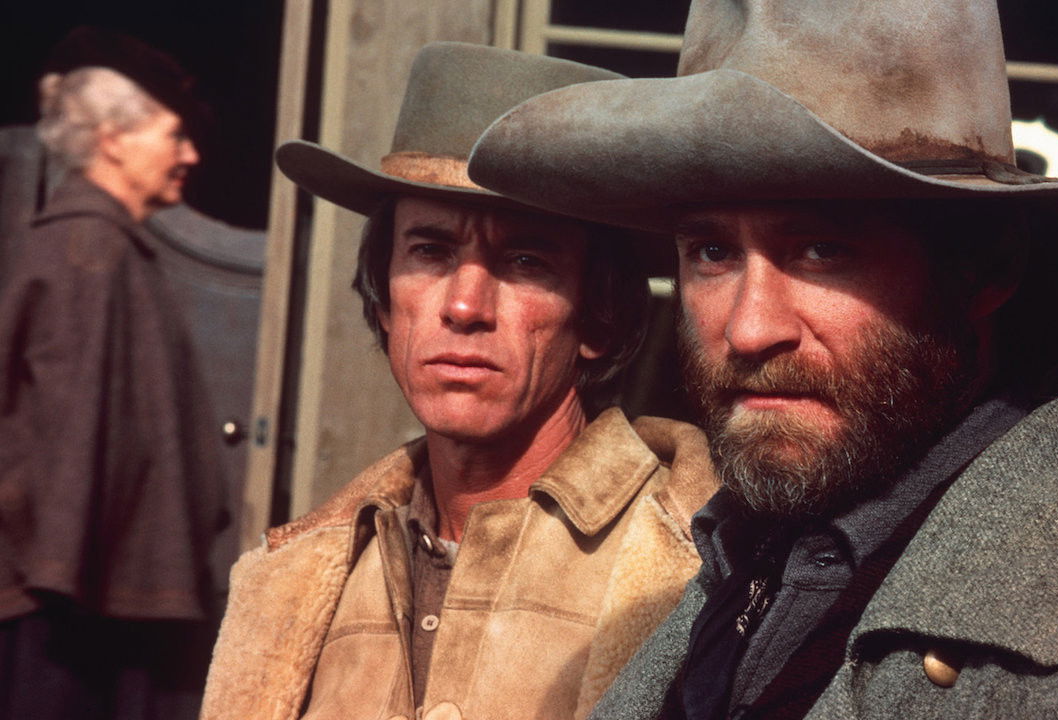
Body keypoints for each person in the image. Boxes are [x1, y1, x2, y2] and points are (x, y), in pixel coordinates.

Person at [468, 0, 1058, 716]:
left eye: (822, 249)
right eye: (712, 251)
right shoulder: (749, 556)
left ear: (985, 267)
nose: (749, 329)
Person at [199, 43, 718, 720]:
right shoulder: (304, 577)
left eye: (525, 260)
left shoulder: (693, 569)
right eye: (430, 251)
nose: (465, 306)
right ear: (385, 304)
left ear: (599, 316)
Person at [0, 27, 225, 720]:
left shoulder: (103, 246)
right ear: (113, 139)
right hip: (76, 616)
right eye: (173, 135)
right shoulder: (87, 250)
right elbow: (67, 435)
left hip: (95, 599)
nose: (190, 155)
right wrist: (60, 577)